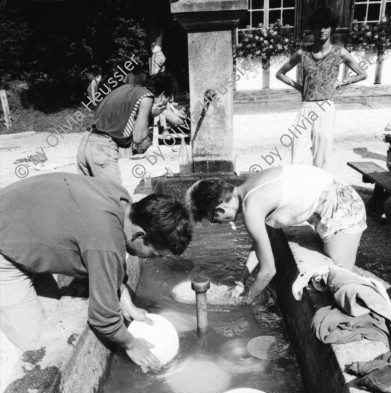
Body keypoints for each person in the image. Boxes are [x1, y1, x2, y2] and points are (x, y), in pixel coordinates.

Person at [0, 173, 192, 371]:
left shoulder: (122, 202)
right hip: (6, 251)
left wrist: (128, 304)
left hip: (22, 227)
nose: (149, 259)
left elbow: (110, 260)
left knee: (55, 326)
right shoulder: (105, 240)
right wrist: (132, 344)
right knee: (41, 352)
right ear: (140, 235)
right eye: (154, 254)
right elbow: (102, 318)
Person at [187, 165, 367, 303]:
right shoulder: (250, 187)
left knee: (340, 277)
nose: (219, 224)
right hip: (330, 200)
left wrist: (247, 301)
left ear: (219, 209)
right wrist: (242, 282)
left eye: (213, 220)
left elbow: (268, 270)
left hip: (342, 207)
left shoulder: (251, 207)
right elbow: (259, 244)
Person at [276, 6, 367, 169]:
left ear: (332, 28)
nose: (322, 30)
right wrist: (298, 86)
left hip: (326, 107)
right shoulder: (302, 53)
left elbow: (362, 74)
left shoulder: (340, 52)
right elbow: (280, 73)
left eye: (326, 26)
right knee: (297, 157)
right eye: (318, 26)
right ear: (313, 28)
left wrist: (344, 82)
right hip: (306, 108)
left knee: (321, 159)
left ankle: (318, 193)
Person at [77, 72, 174, 183]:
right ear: (162, 95)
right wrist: (149, 115)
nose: (167, 102)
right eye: (168, 99)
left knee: (92, 197)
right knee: (117, 197)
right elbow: (138, 138)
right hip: (102, 148)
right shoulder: (147, 97)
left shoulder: (126, 89)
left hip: (85, 143)